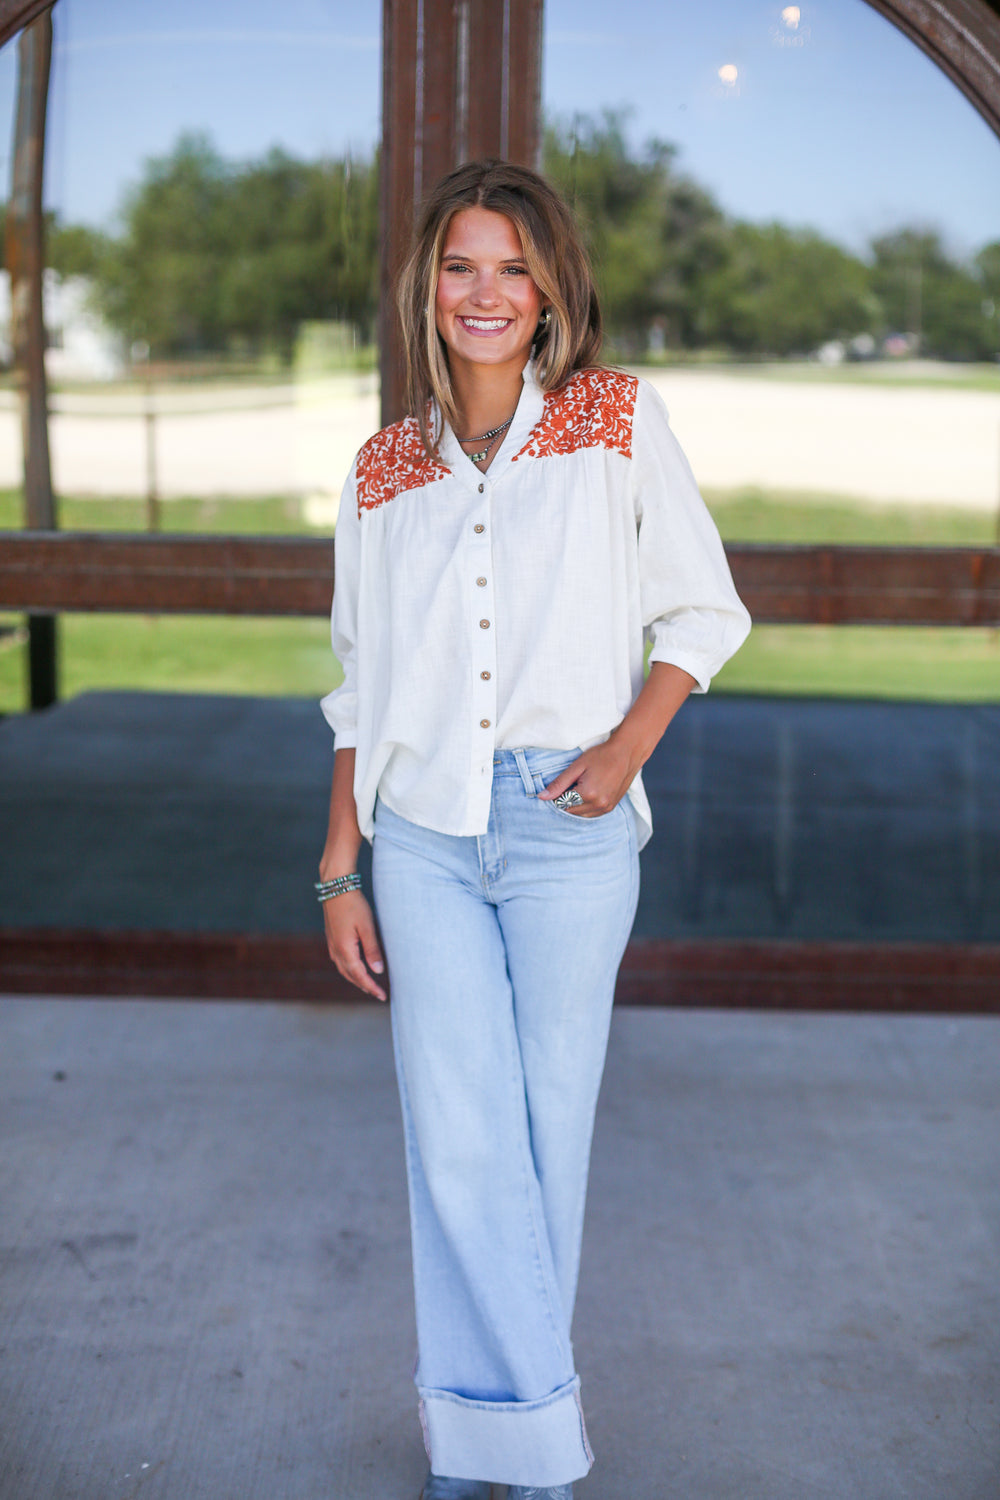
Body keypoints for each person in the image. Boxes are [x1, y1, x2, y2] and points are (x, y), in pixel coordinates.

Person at [318, 159, 750, 1500]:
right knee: (456, 1135)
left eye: (512, 267)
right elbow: (356, 682)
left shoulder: (619, 419)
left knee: (544, 1130)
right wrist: (340, 869)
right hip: (425, 833)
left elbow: (702, 613)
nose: (486, 293)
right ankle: (523, 1447)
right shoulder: (385, 465)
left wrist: (625, 750)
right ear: (427, 289)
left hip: (572, 824)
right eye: (460, 267)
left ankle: (491, 1445)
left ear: (554, 286)